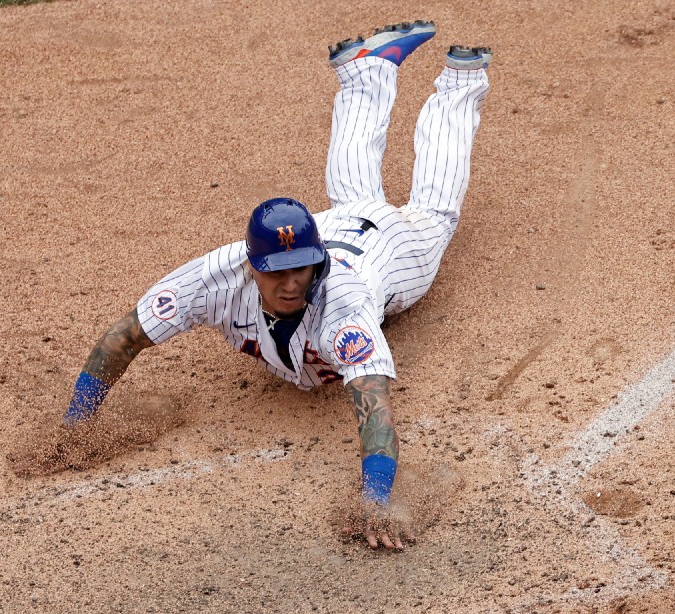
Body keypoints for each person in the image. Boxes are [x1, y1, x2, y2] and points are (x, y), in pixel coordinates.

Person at [49, 20, 492, 551]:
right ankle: (364, 72)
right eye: (276, 271)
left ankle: (460, 83)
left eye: (301, 269)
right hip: (335, 225)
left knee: (432, 213)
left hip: (386, 252)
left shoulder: (342, 308)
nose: (290, 283)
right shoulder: (214, 277)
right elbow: (124, 336)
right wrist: (75, 429)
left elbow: (375, 407)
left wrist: (376, 504)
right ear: (251, 265)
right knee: (349, 194)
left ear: (315, 262)